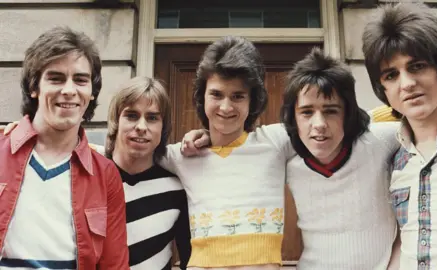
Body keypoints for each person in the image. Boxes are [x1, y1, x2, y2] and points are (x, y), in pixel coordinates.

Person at [160, 36, 295, 269]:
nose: (225, 106)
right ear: (202, 96)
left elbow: (344, 123)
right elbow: (123, 151)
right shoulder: (183, 155)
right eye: (216, 94)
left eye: (237, 96)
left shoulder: (276, 142)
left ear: (253, 101)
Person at [362, 3, 437, 269]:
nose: (406, 84)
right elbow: (405, 242)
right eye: (391, 75)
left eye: (417, 66)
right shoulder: (395, 156)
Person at [0, 27, 129, 269]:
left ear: (91, 92)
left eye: (80, 80)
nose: (69, 90)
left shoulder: (105, 175)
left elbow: (115, 265)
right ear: (34, 87)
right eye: (56, 78)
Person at [280, 47, 400, 270]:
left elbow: (428, 118)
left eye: (331, 110)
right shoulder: (285, 158)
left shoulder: (380, 142)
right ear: (293, 117)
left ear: (348, 113)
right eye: (306, 112)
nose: (319, 124)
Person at [91, 77, 192, 269]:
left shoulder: (178, 190)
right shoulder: (90, 178)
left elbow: (190, 259)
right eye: (131, 115)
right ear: (116, 120)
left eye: (152, 118)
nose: (141, 127)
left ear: (163, 127)